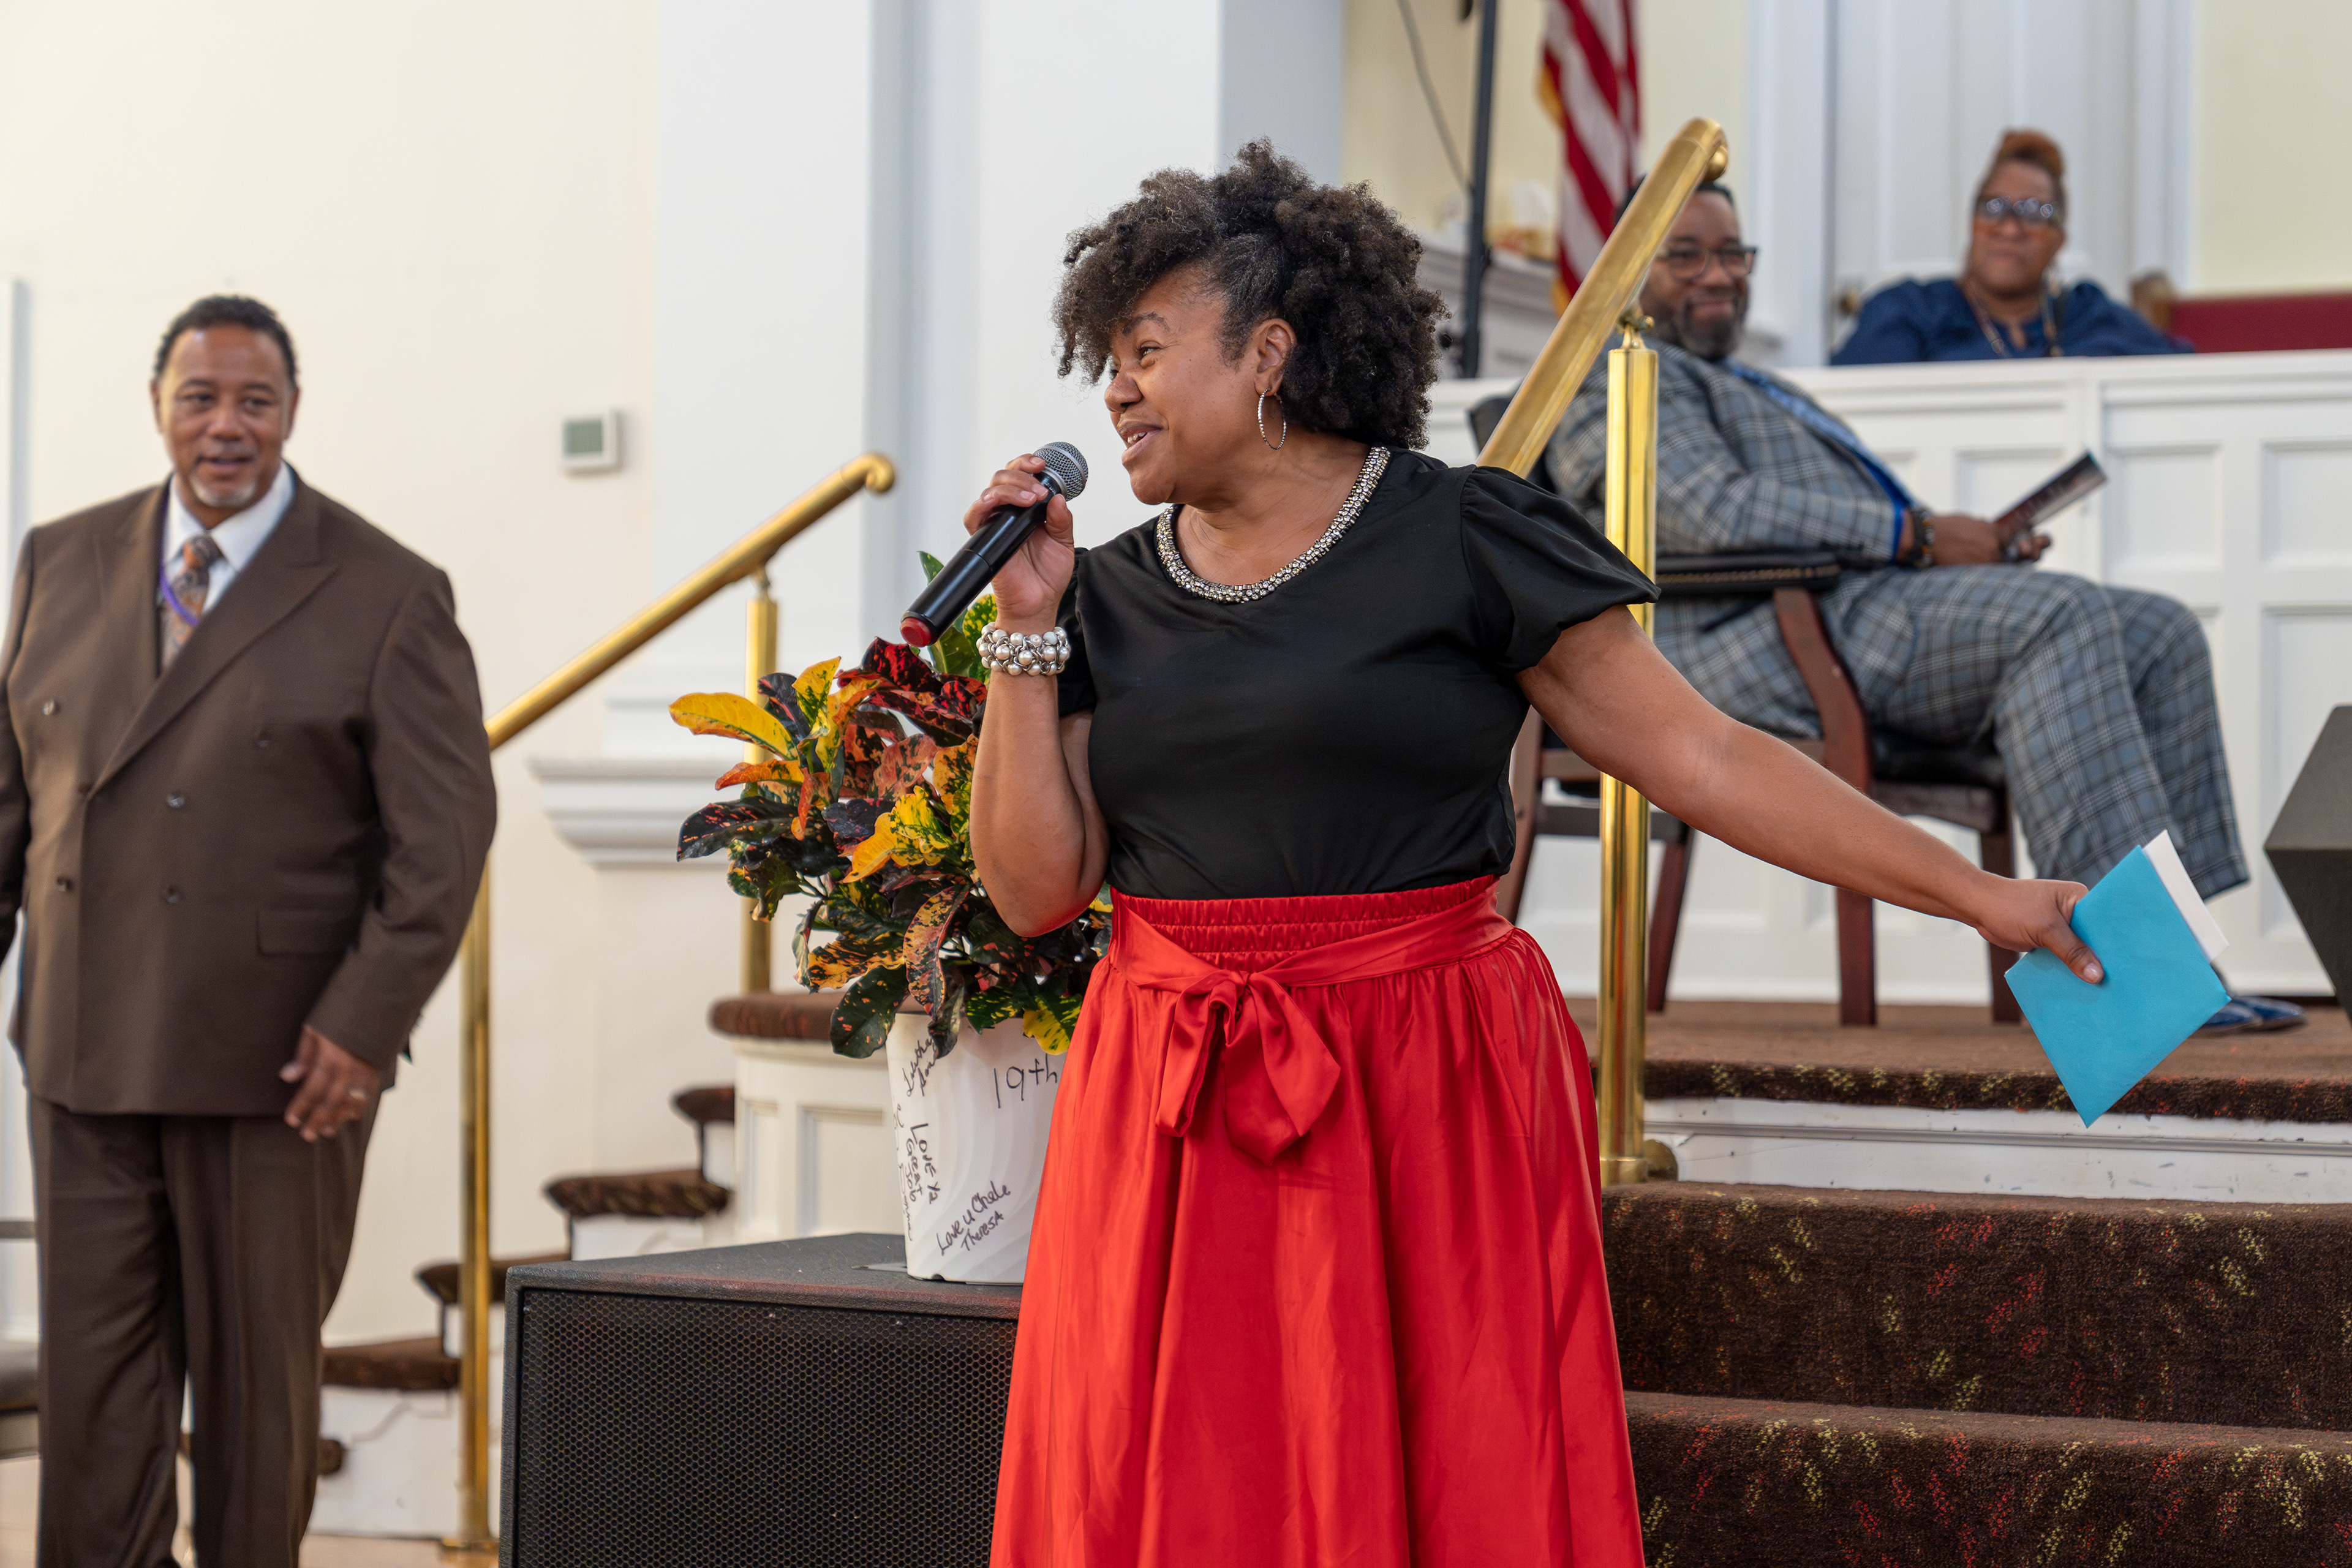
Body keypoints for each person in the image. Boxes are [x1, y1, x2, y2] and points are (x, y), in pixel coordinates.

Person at [964, 143, 2106, 1568]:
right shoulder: (1099, 597)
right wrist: (1023, 630)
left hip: (1417, 1076)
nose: (1115, 390)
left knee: (1452, 1470)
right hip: (1172, 1094)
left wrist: (1978, 895)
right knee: (1182, 1481)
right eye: (1109, 360)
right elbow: (1034, 890)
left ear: (1268, 351)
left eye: (1145, 349)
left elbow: (1707, 758)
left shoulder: (1463, 536)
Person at [1547, 183, 2299, 1036]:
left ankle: (2176, 952)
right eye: (1686, 255)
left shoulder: (1747, 382)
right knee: (2056, 615)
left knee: (2158, 631)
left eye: (1731, 253)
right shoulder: (1613, 374)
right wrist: (1919, 536)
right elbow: (1708, 511)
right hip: (1760, 636)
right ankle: (2119, 975)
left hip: (1857, 610)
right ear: (1625, 268)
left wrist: (1969, 546)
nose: (1717, 274)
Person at [0, 295, 497, 1566]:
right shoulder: (59, 559)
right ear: (158, 406)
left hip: (283, 1070)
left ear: (292, 412)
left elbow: (442, 842)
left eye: (254, 400)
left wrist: (364, 1027)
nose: (226, 425)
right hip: (81, 1051)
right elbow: (11, 802)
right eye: (200, 397)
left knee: (254, 1410)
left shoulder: (386, 589)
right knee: (92, 1411)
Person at [1834, 129, 2188, 363]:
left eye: (2034, 212)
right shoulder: (1909, 313)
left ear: (2059, 241)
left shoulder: (2093, 318)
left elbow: (2187, 383)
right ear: (1973, 224)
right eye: (1993, 207)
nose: (2009, 228)